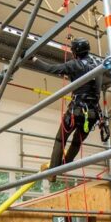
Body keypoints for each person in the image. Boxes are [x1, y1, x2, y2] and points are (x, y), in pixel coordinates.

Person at [30, 37, 102, 182]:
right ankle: (65, 166)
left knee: (60, 139)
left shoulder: (74, 65)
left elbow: (51, 68)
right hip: (93, 113)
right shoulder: (98, 65)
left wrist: (33, 59)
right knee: (76, 142)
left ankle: (53, 172)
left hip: (76, 111)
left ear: (75, 51)